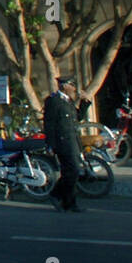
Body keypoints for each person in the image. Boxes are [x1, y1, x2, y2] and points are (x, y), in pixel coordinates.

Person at [44, 78, 83, 212]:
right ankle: (57, 195)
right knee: (73, 170)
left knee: (72, 172)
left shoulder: (68, 100)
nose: (74, 88)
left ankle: (69, 202)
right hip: (62, 142)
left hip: (73, 140)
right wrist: (50, 144)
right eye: (71, 85)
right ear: (64, 86)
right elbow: (49, 124)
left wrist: (85, 102)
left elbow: (77, 118)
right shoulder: (54, 101)